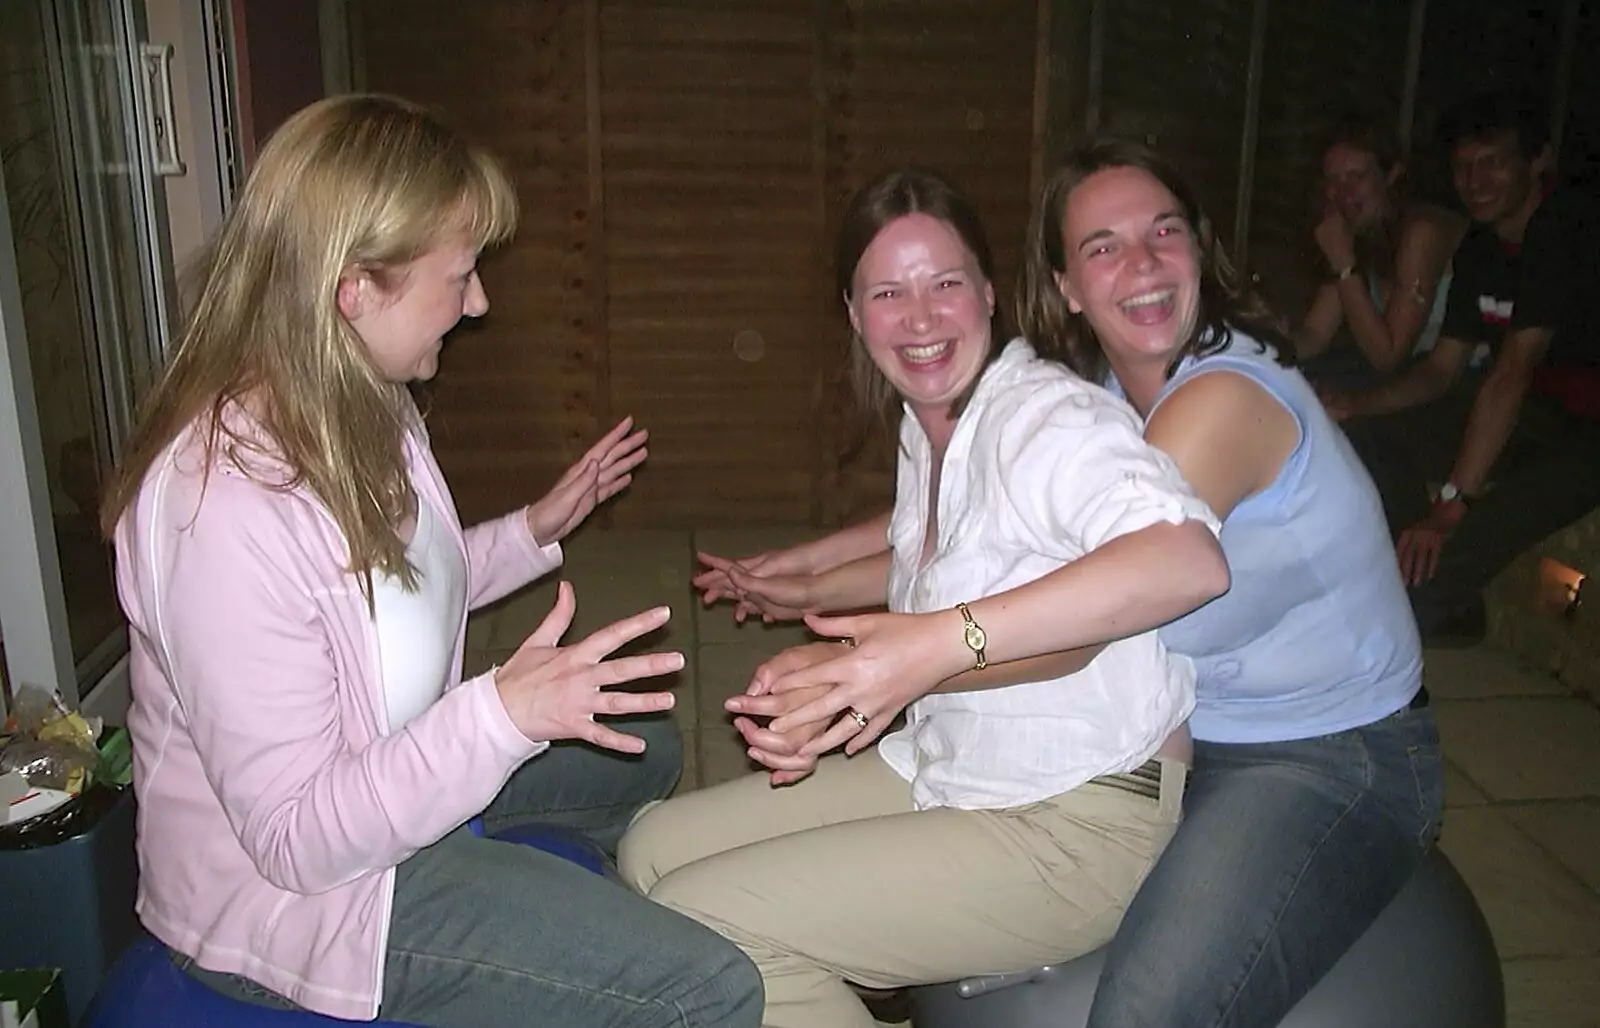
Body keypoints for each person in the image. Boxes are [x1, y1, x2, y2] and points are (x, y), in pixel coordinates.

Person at [698, 139, 1443, 1028]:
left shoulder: (1214, 404)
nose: (1141, 263)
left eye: (1163, 232)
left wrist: (882, 670)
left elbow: (1073, 609)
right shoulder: (1113, 390)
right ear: (1065, 285)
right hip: (1205, 725)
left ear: (1199, 250)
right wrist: (818, 574)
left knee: (1150, 1010)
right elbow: (977, 532)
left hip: (1330, 752)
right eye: (1102, 246)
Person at [99, 94, 761, 1028]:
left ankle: (554, 945)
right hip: (308, 903)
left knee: (647, 741)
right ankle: (567, 962)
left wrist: (536, 527)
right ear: (353, 289)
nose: (480, 300)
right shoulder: (217, 512)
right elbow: (295, 842)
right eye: (462, 275)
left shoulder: (362, 399)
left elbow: (396, 595)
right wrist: (500, 715)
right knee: (713, 990)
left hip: (395, 782)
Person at [617, 167, 1230, 1028]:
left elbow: (1188, 560)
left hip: (1078, 817)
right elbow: (935, 560)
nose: (920, 317)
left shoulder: (1047, 419)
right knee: (648, 852)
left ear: (988, 292)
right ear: (853, 310)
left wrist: (929, 649)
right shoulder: (932, 425)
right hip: (954, 768)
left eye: (945, 284)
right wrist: (835, 662)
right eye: (887, 292)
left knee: (705, 917)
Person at [1327, 91, 1600, 644]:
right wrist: (1355, 405)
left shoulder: (1567, 230)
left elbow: (1510, 373)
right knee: (1364, 428)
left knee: (1475, 529)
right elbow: (1440, 370)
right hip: (1537, 417)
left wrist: (1452, 503)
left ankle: (1419, 608)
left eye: (1493, 162)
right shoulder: (1482, 248)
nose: (1475, 181)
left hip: (1588, 433)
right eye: (1462, 167)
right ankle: (1430, 592)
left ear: (1537, 162)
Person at [1294, 120, 1467, 388]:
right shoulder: (1358, 232)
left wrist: (1343, 263)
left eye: (1357, 176)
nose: (1344, 192)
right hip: (1406, 376)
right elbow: (1315, 333)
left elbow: (1387, 356)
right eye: (1333, 180)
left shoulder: (1423, 231)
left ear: (1391, 175)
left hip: (1456, 381)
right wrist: (1266, 345)